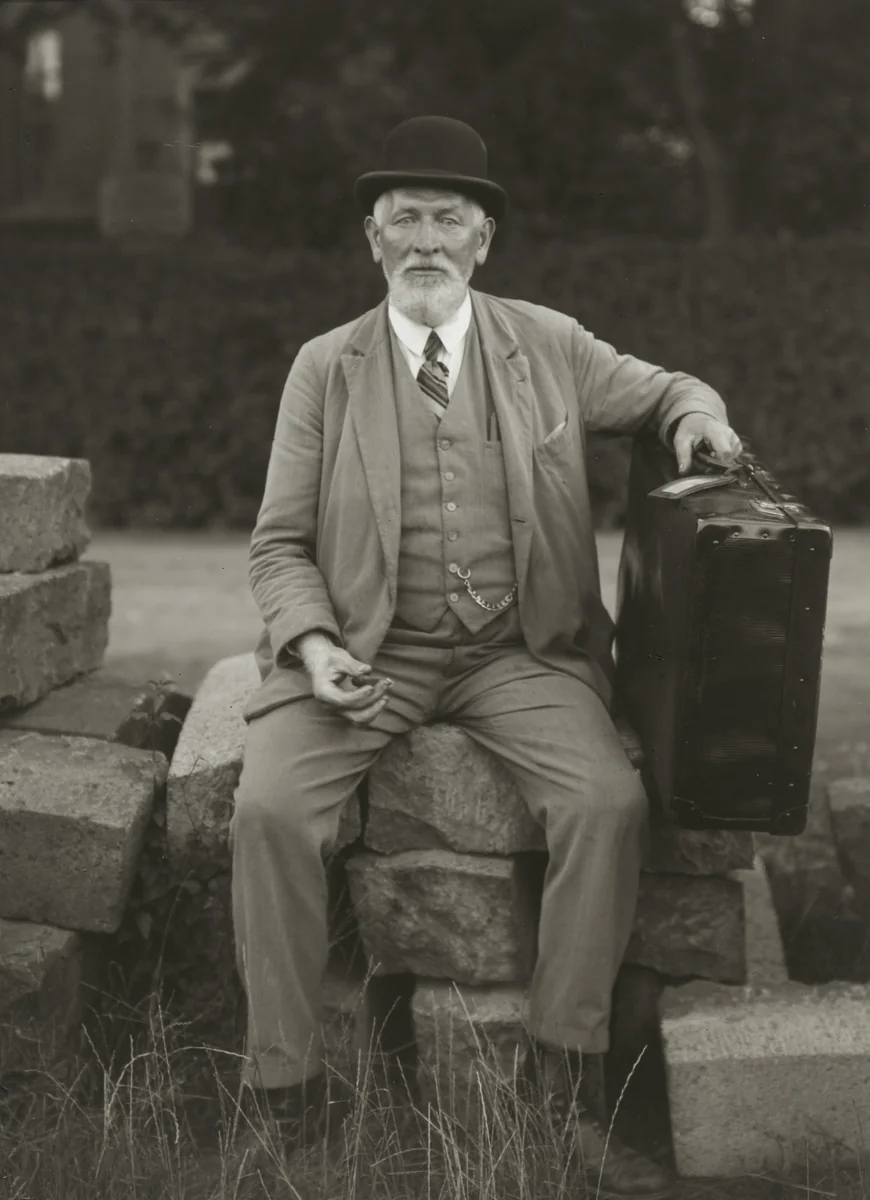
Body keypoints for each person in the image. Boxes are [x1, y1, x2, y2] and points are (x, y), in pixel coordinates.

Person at [230, 115, 741, 1198]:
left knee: (605, 804)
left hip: (522, 653)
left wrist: (700, 419)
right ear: (373, 240)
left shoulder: (549, 343)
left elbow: (667, 390)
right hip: (370, 652)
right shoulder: (325, 369)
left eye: (448, 218)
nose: (425, 237)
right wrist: (314, 647)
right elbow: (277, 542)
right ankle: (285, 1096)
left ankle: (566, 1088)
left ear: (483, 240)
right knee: (269, 812)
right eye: (403, 218)